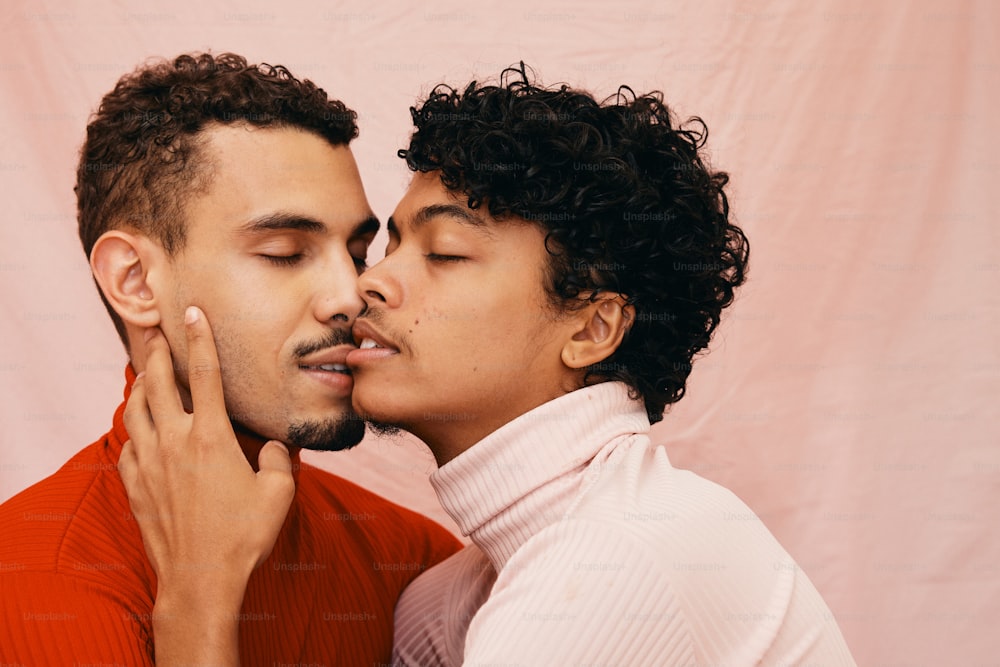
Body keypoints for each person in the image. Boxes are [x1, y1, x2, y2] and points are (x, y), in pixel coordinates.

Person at [121, 65, 857, 665]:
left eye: (443, 254)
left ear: (594, 325)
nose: (364, 286)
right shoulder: (458, 595)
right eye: (386, 247)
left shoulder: (615, 560)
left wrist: (197, 600)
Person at [0, 52, 461, 666]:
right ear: (134, 280)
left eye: (355, 251)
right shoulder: (37, 580)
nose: (352, 295)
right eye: (284, 252)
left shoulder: (412, 559)